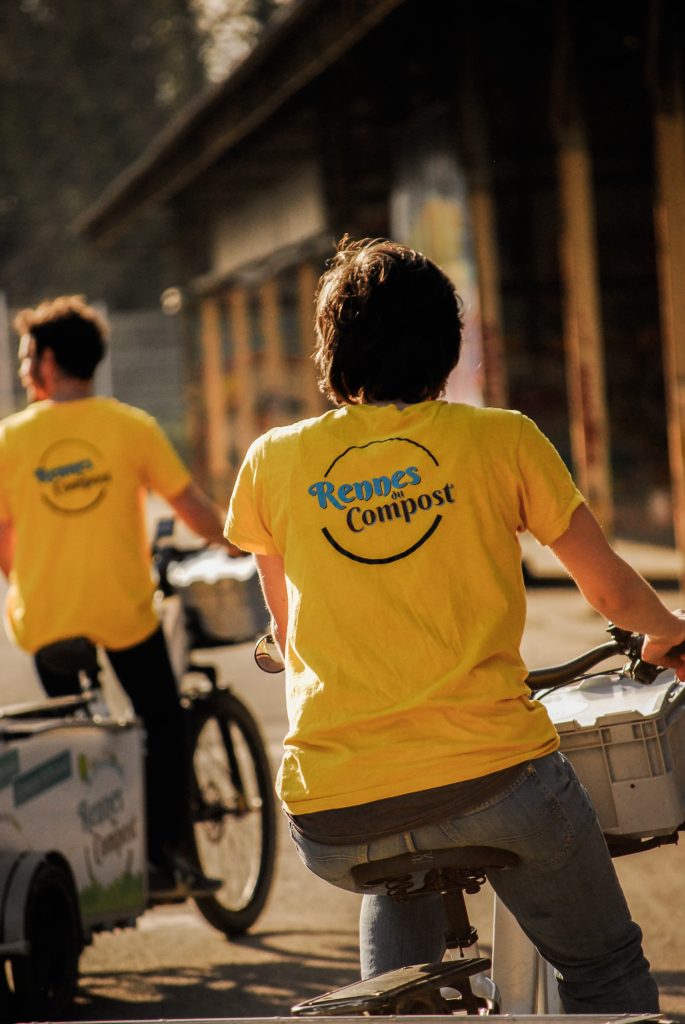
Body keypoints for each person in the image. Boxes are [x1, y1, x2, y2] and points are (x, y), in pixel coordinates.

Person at [225, 236, 685, 1013]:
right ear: (445, 342)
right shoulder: (501, 437)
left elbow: (289, 628)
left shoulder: (273, 460)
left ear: (334, 347)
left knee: (395, 863)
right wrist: (667, 630)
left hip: (332, 806)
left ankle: (390, 1006)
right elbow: (611, 594)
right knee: (604, 969)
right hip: (494, 778)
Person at [0, 295, 243, 898]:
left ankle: (80, 869)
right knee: (161, 723)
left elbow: (2, 540)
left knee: (68, 745)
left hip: (46, 620)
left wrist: (26, 578)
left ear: (49, 361)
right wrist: (236, 540)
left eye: (28, 357)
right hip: (123, 612)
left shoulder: (10, 439)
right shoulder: (131, 427)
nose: (24, 370)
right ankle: (162, 860)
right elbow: (189, 506)